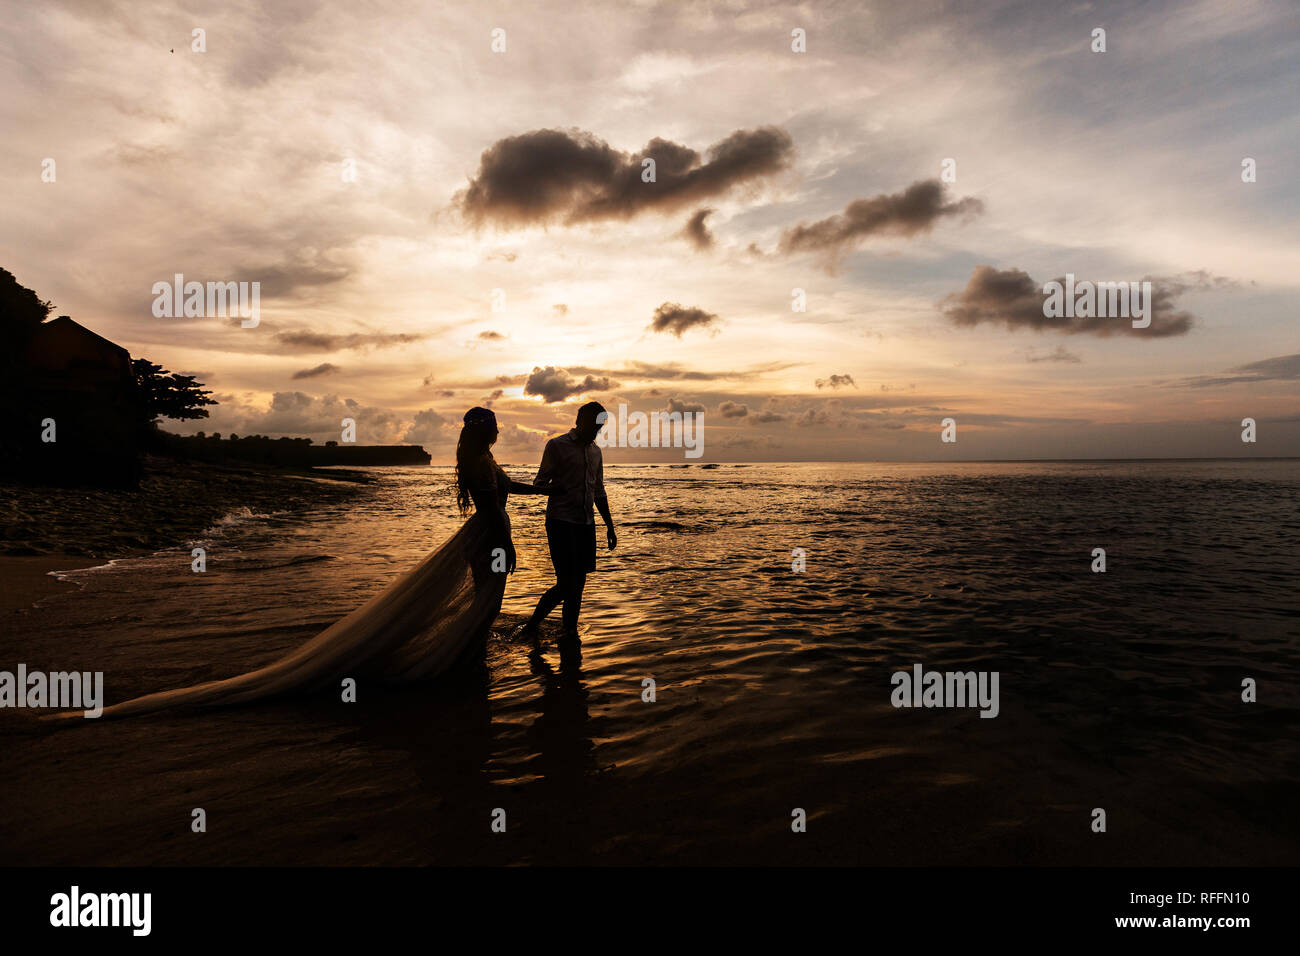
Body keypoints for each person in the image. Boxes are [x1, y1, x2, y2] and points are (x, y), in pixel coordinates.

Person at [43, 407, 554, 721]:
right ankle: (457, 660)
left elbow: (507, 489)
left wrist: (539, 490)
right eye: (496, 426)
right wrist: (506, 539)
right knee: (488, 599)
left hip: (486, 532)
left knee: (487, 598)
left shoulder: (476, 458)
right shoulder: (476, 460)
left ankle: (463, 655)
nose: (499, 430)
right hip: (489, 534)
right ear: (486, 430)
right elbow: (493, 503)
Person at [519, 401, 616, 644]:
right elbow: (540, 483)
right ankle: (532, 626)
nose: (597, 430)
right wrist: (553, 489)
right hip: (560, 522)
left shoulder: (596, 452)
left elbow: (599, 491)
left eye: (600, 426)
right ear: (580, 420)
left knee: (579, 584)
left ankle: (569, 633)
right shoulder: (557, 446)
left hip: (585, 524)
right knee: (566, 583)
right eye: (594, 424)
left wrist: (610, 527)